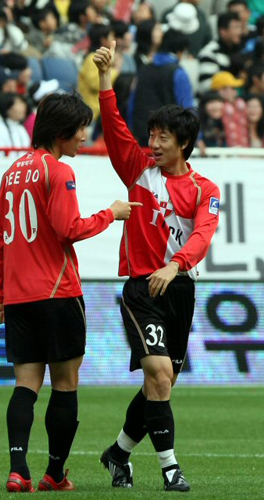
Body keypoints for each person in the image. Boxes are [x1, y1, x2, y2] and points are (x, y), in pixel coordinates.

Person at [0, 91, 141, 493]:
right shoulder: (58, 172)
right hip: (58, 294)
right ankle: (54, 474)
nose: (84, 137)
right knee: (64, 383)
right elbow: (70, 228)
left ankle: (17, 470)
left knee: (25, 384)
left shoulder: (10, 174)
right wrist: (111, 213)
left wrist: (2, 296)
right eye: (80, 129)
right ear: (61, 133)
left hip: (20, 298)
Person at [93, 41, 220, 493]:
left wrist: (178, 264)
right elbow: (113, 129)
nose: (154, 143)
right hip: (142, 289)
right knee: (160, 374)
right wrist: (106, 79)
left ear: (184, 142)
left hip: (181, 290)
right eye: (152, 135)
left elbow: (204, 233)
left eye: (164, 136)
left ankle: (118, 454)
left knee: (158, 383)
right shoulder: (137, 169)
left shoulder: (206, 188)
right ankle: (170, 468)